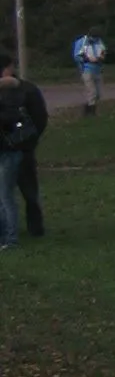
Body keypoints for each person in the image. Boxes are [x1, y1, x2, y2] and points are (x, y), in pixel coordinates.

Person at [0, 54, 47, 247]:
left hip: (10, 148)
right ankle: (35, 227)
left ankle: (11, 233)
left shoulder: (21, 90)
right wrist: (30, 140)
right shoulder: (27, 89)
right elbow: (40, 118)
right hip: (23, 146)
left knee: (7, 194)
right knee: (27, 191)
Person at [72, 28, 106, 115]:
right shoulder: (82, 42)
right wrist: (88, 59)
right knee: (92, 91)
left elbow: (103, 51)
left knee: (98, 94)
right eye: (94, 37)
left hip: (97, 70)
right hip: (86, 70)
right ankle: (91, 112)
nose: (95, 39)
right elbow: (76, 56)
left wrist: (101, 57)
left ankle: (87, 108)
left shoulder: (99, 41)